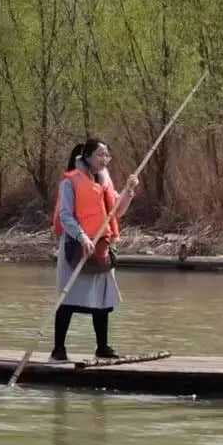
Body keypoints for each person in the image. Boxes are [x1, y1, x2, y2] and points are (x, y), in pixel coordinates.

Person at [51, 139, 139, 361]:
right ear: (87, 156)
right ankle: (58, 349)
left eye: (107, 155)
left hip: (101, 245)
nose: (104, 159)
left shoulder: (104, 181)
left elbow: (116, 212)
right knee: (68, 297)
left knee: (103, 297)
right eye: (100, 155)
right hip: (76, 245)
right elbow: (65, 215)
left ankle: (103, 347)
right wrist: (81, 237)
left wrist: (128, 191)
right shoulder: (70, 182)